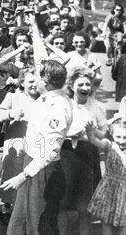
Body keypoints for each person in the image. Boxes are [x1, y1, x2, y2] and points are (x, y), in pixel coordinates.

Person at [4, 60, 72, 235]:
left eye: (37, 75)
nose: (33, 79)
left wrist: (24, 175)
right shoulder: (45, 97)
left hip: (43, 170)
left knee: (39, 225)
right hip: (32, 162)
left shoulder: (58, 107)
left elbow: (50, 150)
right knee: (18, 223)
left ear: (46, 80)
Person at [60, 66, 107, 234]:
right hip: (65, 155)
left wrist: (92, 132)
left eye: (88, 84)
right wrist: (72, 133)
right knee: (64, 203)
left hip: (88, 156)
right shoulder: (63, 104)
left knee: (86, 205)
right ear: (72, 85)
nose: (85, 88)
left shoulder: (97, 106)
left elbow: (105, 133)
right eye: (81, 84)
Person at [0, 67, 40, 224]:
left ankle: (29, 212)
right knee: (12, 174)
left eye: (37, 81)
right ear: (22, 82)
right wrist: (10, 114)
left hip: (37, 146)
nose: (34, 85)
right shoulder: (12, 97)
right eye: (30, 81)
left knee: (32, 177)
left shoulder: (44, 99)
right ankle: (6, 208)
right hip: (16, 144)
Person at [86, 117, 126, 234]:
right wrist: (90, 132)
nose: (122, 141)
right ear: (113, 136)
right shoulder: (110, 145)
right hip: (109, 188)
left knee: (123, 221)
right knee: (106, 219)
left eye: (125, 137)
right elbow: (94, 141)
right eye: (118, 137)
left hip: (124, 191)